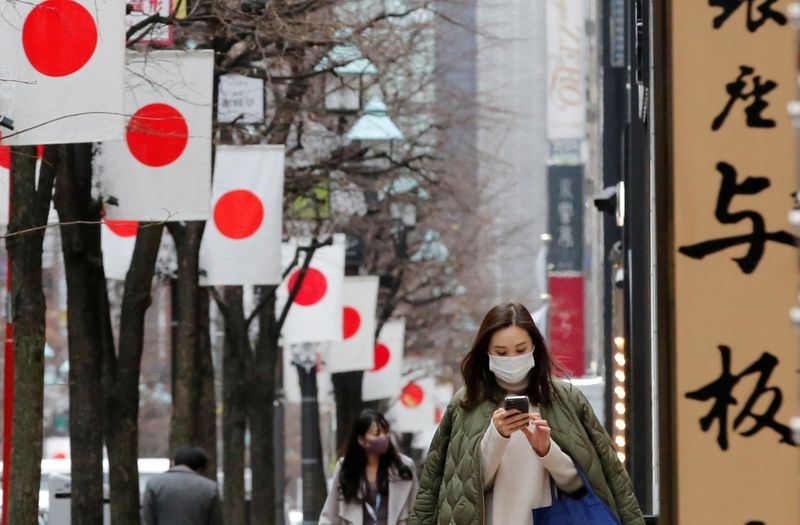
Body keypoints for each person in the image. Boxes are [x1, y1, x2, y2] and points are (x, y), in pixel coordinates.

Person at [409, 303, 644, 525]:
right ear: (487, 353)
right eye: (501, 352)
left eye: (520, 349)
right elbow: (451, 487)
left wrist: (547, 450)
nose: (512, 359)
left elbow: (592, 483)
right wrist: (497, 436)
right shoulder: (466, 403)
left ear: (534, 347)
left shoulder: (565, 400)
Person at [320, 409, 420, 525]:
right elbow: (330, 514)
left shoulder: (404, 467)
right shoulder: (345, 468)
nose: (383, 437)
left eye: (386, 432)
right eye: (376, 434)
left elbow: (417, 511)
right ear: (362, 440)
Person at [141, 446, 223, 525]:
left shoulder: (153, 484)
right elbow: (215, 521)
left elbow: (148, 519)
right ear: (201, 468)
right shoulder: (210, 488)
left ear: (173, 463)